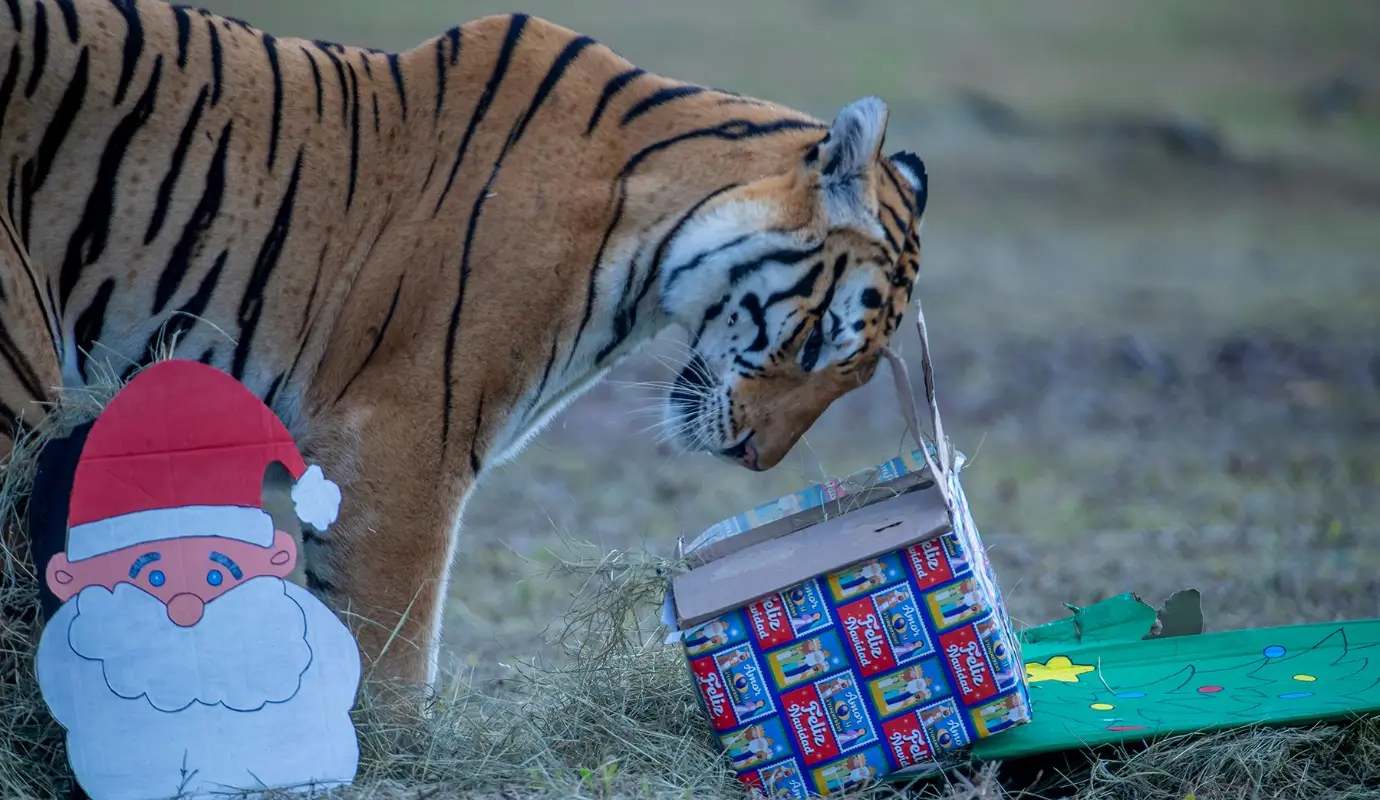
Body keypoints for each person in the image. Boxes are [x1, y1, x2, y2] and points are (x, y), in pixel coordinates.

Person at [34, 360, 361, 800]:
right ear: (67, 577)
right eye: (148, 575)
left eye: (216, 574)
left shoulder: (305, 644)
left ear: (277, 557)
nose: (184, 606)